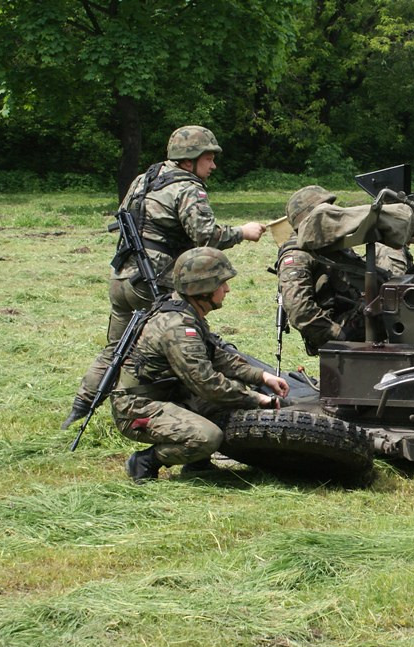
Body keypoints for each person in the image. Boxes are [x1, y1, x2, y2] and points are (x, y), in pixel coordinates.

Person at [62, 125, 267, 429]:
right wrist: (243, 233)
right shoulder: (188, 188)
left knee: (116, 347)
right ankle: (184, 412)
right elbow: (204, 234)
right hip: (155, 281)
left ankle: (79, 408)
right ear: (189, 160)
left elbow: (124, 217)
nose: (213, 166)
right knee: (184, 344)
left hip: (122, 276)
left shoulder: (145, 178)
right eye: (208, 159)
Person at [112, 247, 289, 482]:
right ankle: (145, 461)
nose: (227, 289)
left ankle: (197, 462)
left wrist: (261, 377)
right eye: (221, 283)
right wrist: (256, 399)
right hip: (138, 407)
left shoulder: (186, 312)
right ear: (203, 289)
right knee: (208, 436)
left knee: (231, 394)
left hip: (168, 394)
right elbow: (207, 383)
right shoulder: (179, 328)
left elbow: (219, 358)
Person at [276, 186, 414, 355]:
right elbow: (300, 311)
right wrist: (339, 334)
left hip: (360, 313)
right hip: (341, 329)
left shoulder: (327, 241)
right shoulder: (297, 255)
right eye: (326, 210)